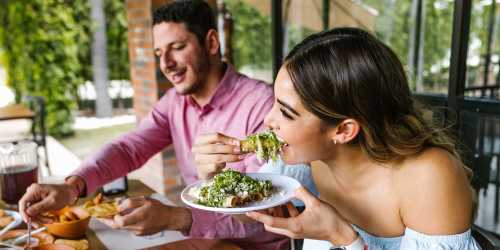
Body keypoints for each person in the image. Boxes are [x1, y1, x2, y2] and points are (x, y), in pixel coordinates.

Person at [18, 1, 293, 249]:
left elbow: (267, 214)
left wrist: (175, 217)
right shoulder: (175, 102)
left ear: (211, 43)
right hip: (204, 238)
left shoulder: (261, 105)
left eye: (177, 47)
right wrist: (73, 186)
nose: (166, 64)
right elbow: (129, 148)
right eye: (159, 53)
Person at [203, 27, 481, 249]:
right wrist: (214, 181)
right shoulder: (310, 158)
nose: (267, 120)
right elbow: (249, 211)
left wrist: (343, 238)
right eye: (275, 103)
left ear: (344, 130)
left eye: (286, 113)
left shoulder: (428, 177)